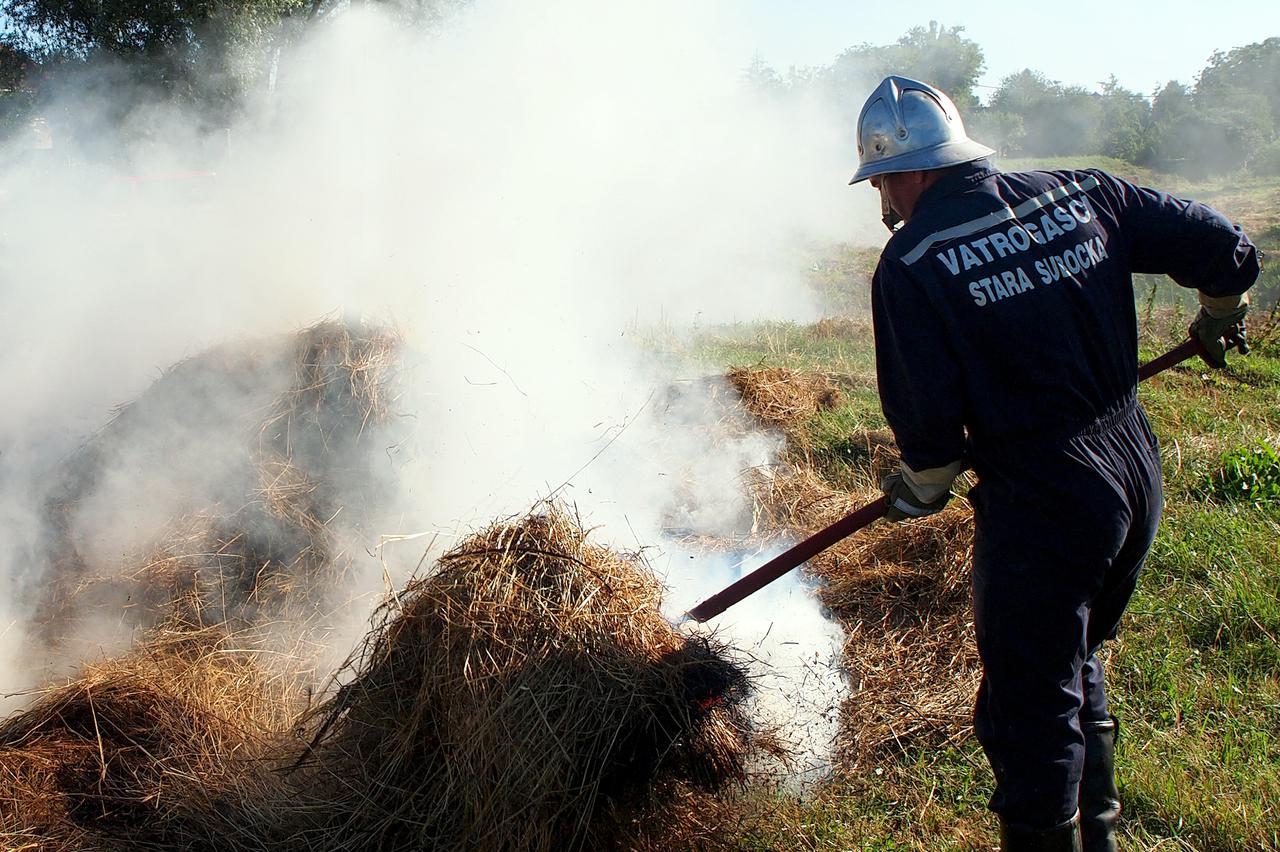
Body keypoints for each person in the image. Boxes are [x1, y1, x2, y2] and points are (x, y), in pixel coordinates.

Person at [848, 76, 1261, 851]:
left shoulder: (913, 263)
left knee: (1028, 713)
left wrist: (920, 486)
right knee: (1075, 654)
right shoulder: (1083, 191)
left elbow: (930, 436)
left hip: (1046, 502)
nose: (886, 207)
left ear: (908, 173)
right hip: (1133, 469)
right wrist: (1218, 312)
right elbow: (1223, 249)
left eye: (882, 186)